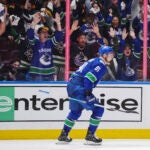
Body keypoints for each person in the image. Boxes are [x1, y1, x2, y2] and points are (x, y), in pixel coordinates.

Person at [57, 46, 114, 144]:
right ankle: (90, 136)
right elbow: (88, 78)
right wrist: (87, 93)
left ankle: (63, 135)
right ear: (104, 55)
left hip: (72, 85)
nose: (112, 56)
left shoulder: (95, 61)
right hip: (80, 87)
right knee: (99, 108)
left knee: (76, 111)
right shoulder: (101, 65)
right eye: (110, 54)